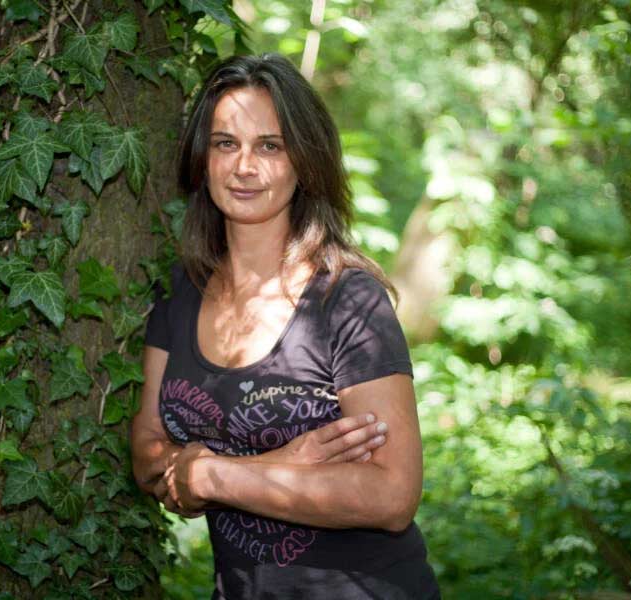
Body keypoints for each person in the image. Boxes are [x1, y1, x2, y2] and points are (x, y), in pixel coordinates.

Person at [130, 53, 440, 599]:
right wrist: (273, 465)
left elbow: (392, 496)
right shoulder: (181, 290)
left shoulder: (347, 300)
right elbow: (147, 453)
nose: (244, 166)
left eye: (269, 146)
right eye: (226, 143)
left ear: (305, 161)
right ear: (203, 159)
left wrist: (210, 476)